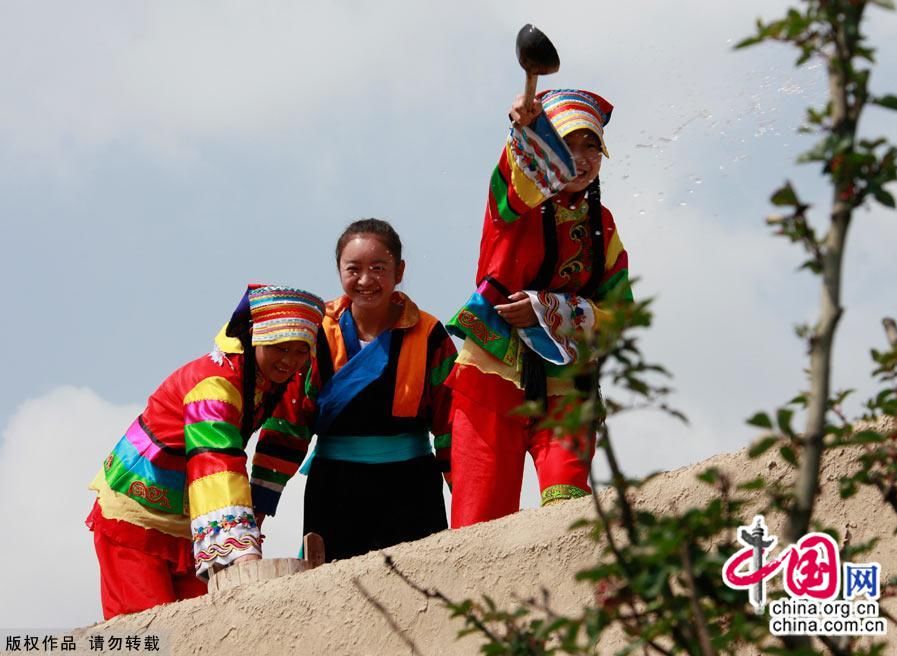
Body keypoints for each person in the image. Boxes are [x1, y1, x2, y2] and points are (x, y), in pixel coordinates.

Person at [447, 89, 633, 528]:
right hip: (492, 374)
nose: (582, 158)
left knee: (570, 513)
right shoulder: (514, 208)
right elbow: (517, 177)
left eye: (592, 146)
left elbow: (621, 314)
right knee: (481, 522)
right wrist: (524, 133)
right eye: (568, 143)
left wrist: (547, 308)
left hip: (568, 382)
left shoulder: (602, 225)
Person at [86, 284, 325, 619]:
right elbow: (216, 460)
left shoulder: (276, 379)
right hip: (136, 514)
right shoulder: (214, 385)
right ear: (254, 337)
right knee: (146, 626)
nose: (289, 360)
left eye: (300, 351)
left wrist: (258, 506)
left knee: (200, 625)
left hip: (190, 518)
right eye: (279, 347)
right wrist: (242, 548)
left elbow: (286, 435)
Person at [273, 218, 456, 562]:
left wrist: (464, 496)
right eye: (353, 269)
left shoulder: (430, 335)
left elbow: (453, 424)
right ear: (339, 271)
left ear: (399, 271)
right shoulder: (316, 334)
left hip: (412, 486)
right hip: (335, 488)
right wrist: (262, 500)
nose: (366, 280)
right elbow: (289, 421)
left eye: (378, 268)